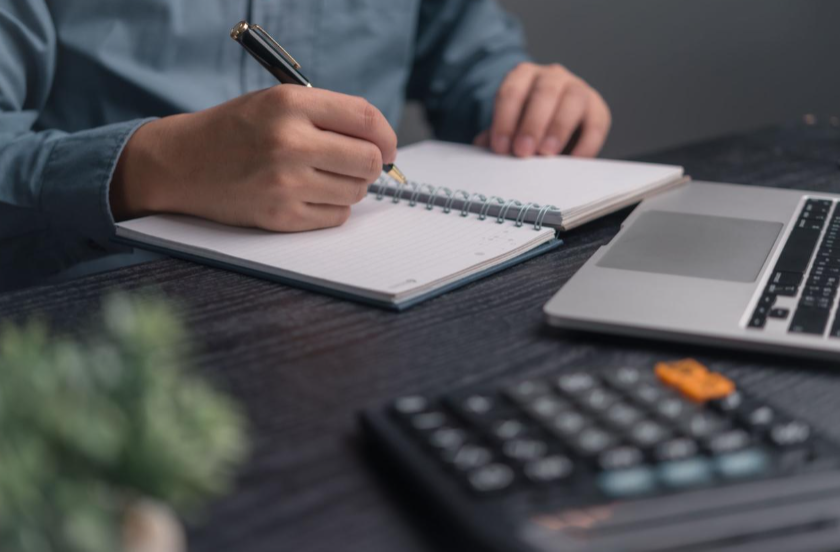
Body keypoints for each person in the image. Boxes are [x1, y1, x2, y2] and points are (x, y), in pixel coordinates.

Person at [0, 1, 611, 288]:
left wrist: (520, 95)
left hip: (368, 301)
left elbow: (466, 49)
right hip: (97, 317)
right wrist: (149, 168)